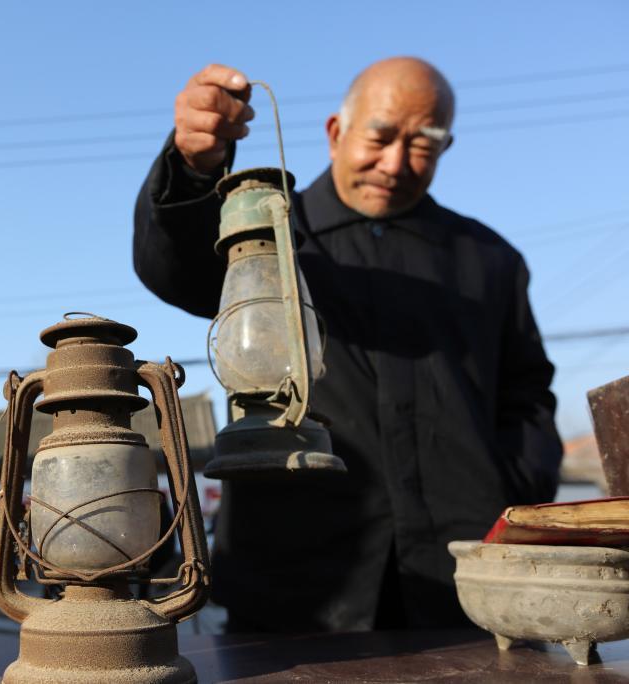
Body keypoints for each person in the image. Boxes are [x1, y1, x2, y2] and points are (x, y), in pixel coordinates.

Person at [133, 58, 562, 632]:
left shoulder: (489, 262)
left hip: (469, 582)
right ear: (337, 132)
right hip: (295, 588)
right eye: (381, 136)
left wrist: (512, 493)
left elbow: (528, 398)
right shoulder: (267, 235)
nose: (394, 163)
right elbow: (173, 266)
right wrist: (193, 166)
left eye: (424, 144)